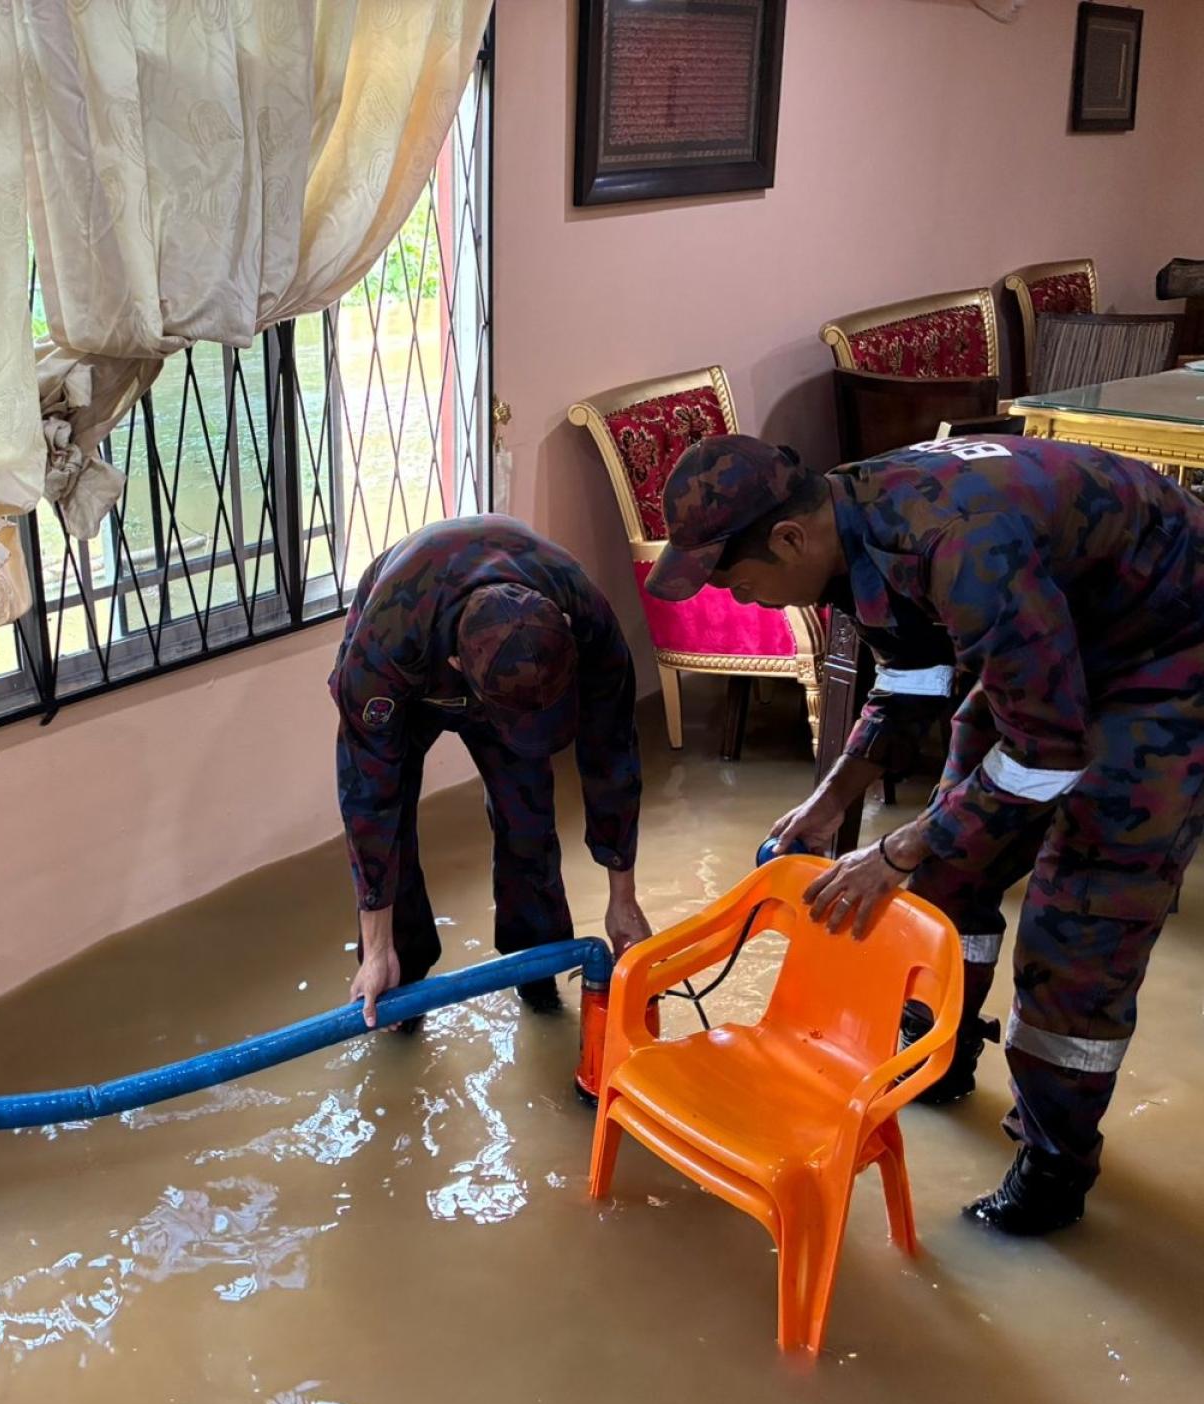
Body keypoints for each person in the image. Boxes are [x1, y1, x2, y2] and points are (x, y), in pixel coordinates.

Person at [645, 432, 1204, 1236]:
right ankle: (939, 1053)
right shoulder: (850, 522)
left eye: (736, 581)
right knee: (951, 871)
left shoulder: (956, 544)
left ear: (788, 539)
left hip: (1170, 653)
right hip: (1058, 633)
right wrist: (832, 801)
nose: (741, 602)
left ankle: (1053, 1166)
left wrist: (897, 847)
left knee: (1077, 923)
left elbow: (1047, 754)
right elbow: (910, 677)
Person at [330, 514, 653, 1032]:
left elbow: (611, 753)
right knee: (394, 830)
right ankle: (399, 980)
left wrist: (623, 898)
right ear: (458, 665)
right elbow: (370, 801)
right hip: (412, 673)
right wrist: (377, 947)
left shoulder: (585, 615)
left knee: (528, 818)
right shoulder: (382, 652)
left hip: (509, 673)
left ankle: (537, 971)